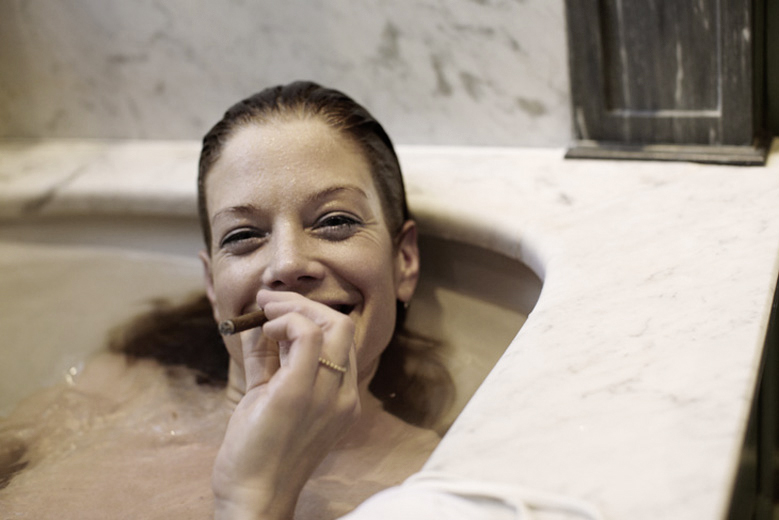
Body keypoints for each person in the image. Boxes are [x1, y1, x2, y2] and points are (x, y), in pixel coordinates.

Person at [0, 81, 452, 519]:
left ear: (404, 261)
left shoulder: (430, 487)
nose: (287, 264)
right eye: (242, 235)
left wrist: (253, 499)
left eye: (334, 221)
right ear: (213, 285)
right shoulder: (113, 387)